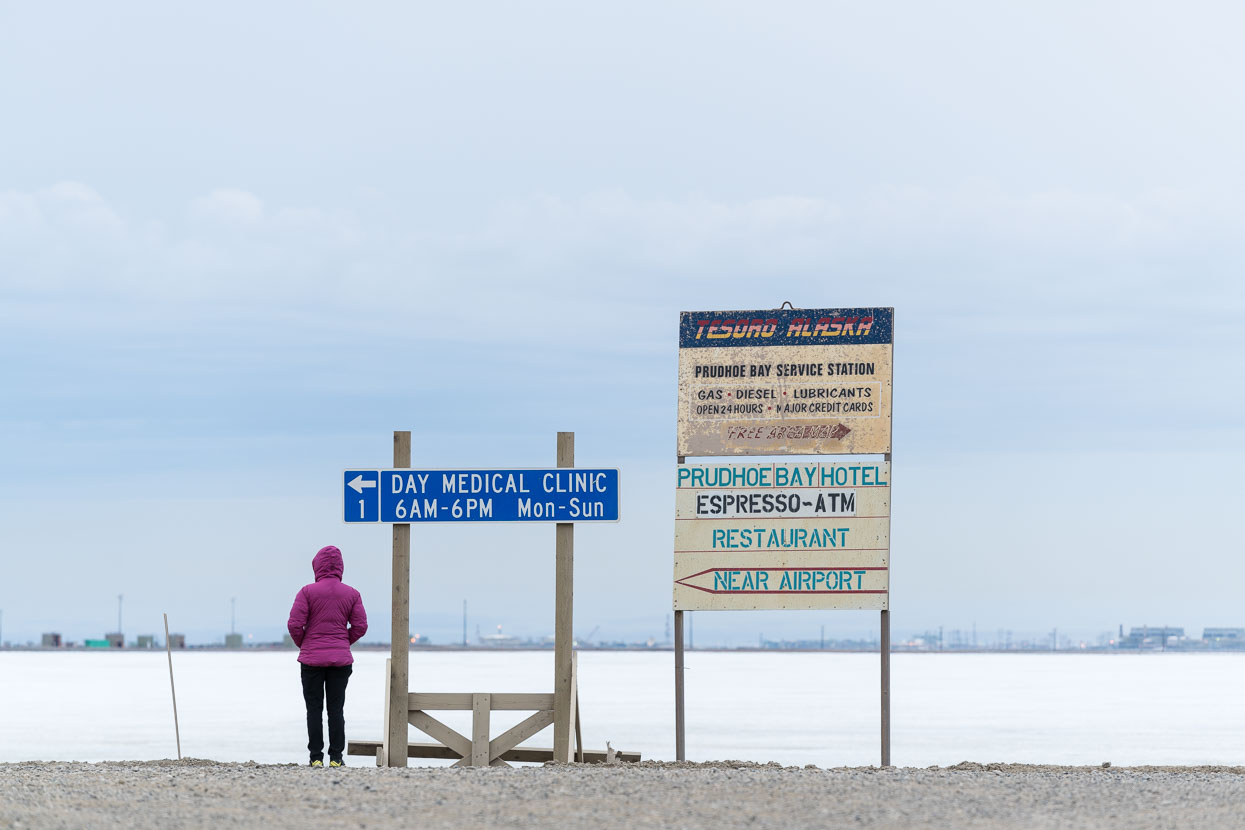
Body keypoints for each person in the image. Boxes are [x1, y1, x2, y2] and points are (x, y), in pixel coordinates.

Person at [287, 545, 368, 767]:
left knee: (314, 709)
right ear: (340, 567)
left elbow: (295, 624)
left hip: (311, 660)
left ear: (317, 565)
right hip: (340, 661)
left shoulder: (307, 592)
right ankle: (336, 758)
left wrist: (305, 644)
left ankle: (315, 758)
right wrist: (343, 642)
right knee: (336, 709)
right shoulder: (352, 593)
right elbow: (360, 626)